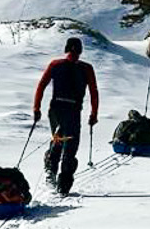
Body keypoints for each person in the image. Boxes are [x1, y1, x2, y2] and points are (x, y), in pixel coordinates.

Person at [31, 36, 100, 194]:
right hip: (73, 110)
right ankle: (63, 184)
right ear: (80, 50)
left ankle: (51, 171)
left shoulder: (55, 64)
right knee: (70, 146)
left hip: (55, 108)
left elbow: (41, 86)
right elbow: (94, 92)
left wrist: (37, 108)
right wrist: (94, 114)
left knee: (58, 139)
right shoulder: (86, 68)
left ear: (66, 48)